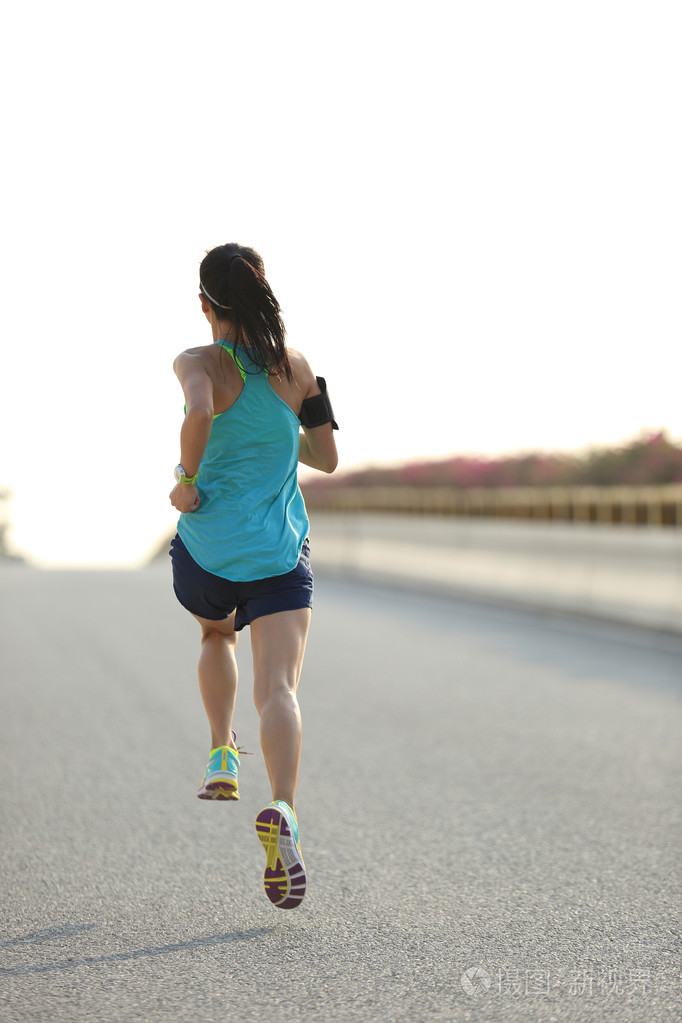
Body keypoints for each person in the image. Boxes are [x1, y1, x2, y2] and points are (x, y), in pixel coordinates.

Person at [168, 243, 338, 910]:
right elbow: (325, 455)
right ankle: (286, 812)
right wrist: (281, 430)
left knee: (216, 637)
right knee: (280, 688)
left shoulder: (197, 361)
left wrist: (185, 483)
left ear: (206, 304)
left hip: (209, 551)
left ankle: (220, 753)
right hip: (277, 558)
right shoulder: (296, 368)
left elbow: (201, 411)